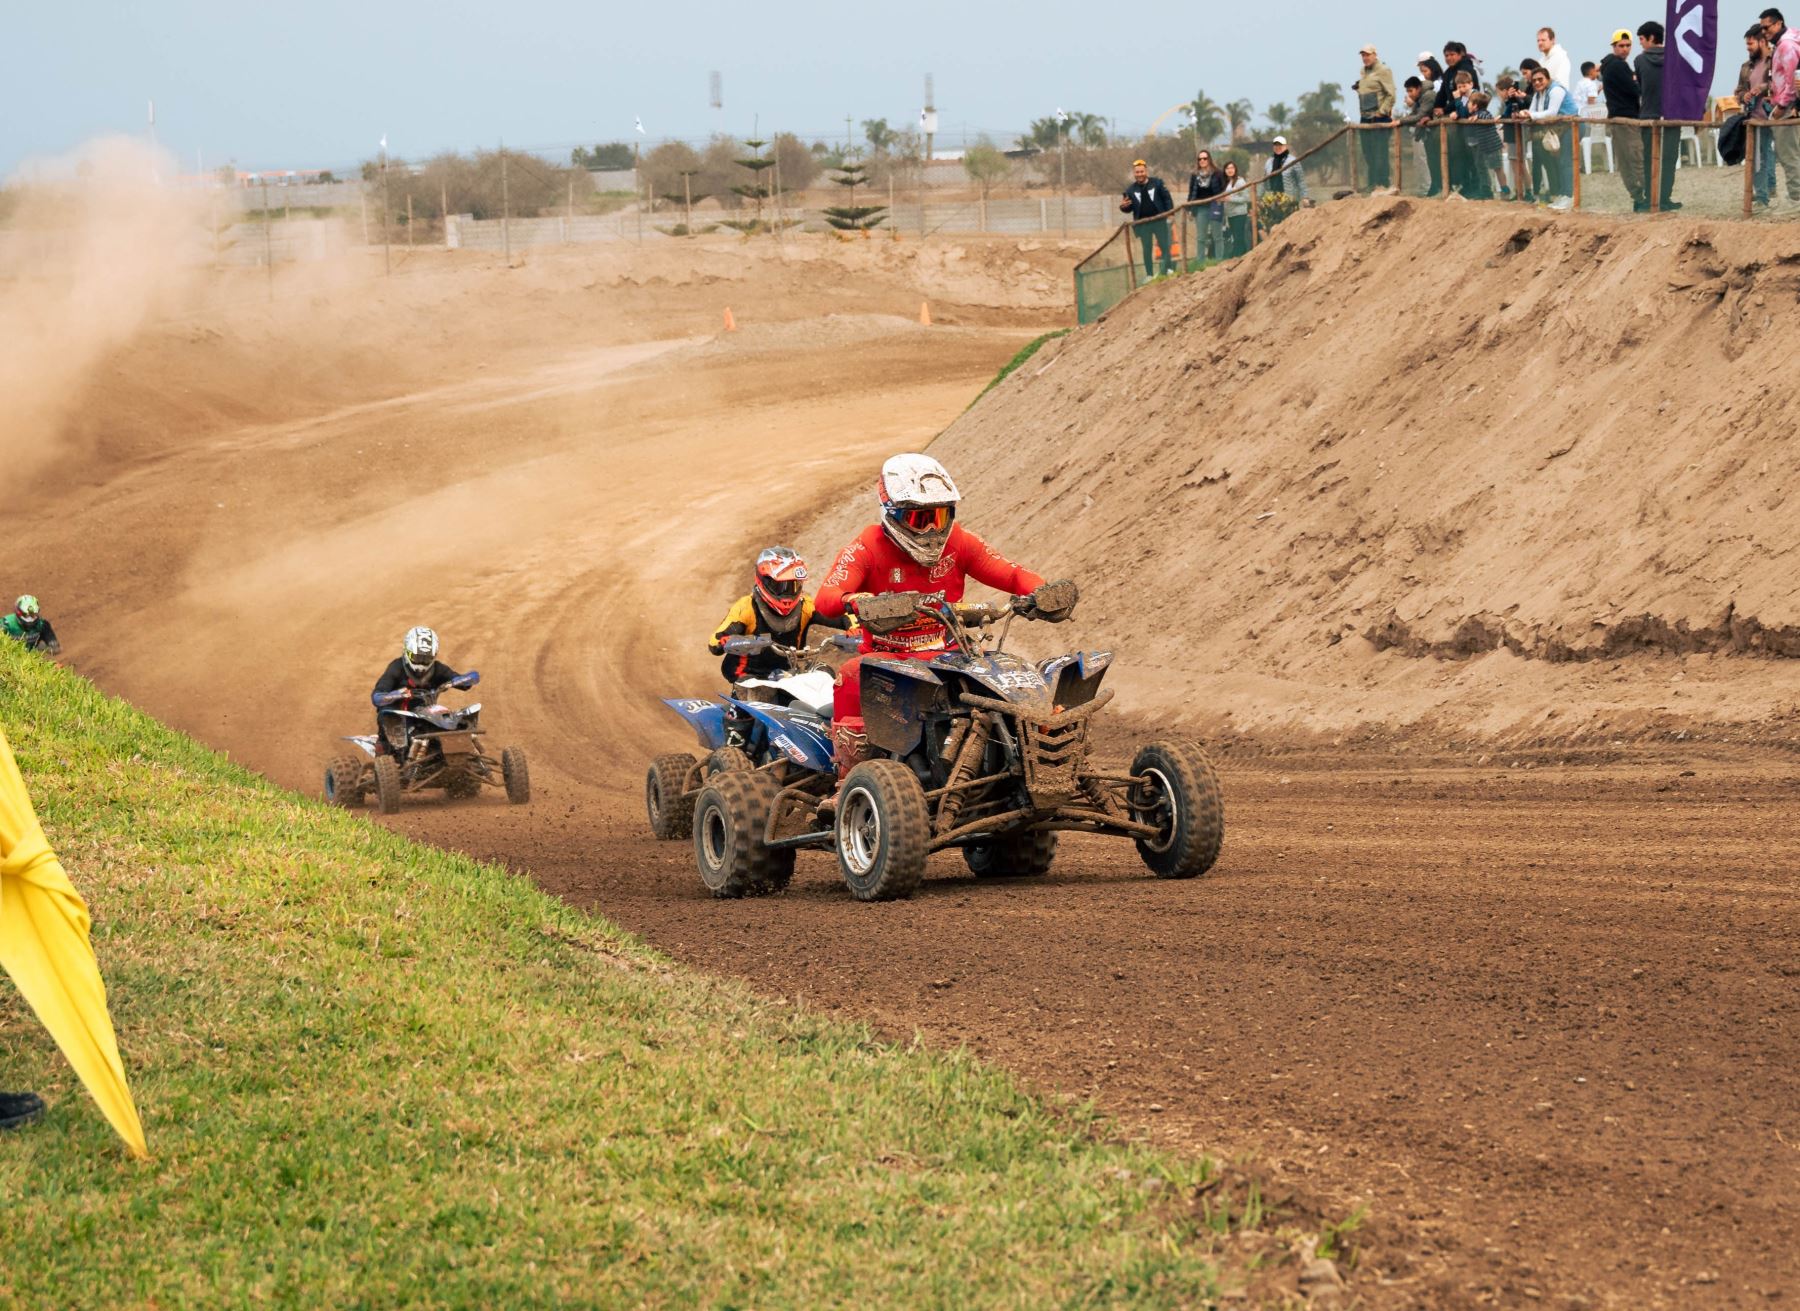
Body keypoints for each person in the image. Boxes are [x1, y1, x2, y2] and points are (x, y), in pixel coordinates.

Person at [813, 454, 1069, 776]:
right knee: (851, 674)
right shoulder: (868, 545)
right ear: (892, 513)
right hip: (887, 658)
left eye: (940, 515)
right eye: (921, 519)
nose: (933, 529)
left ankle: (1036, 754)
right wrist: (857, 600)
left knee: (1012, 676)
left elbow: (1013, 573)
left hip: (952, 655)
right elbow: (826, 599)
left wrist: (1041, 593)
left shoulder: (959, 542)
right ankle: (850, 781)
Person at [708, 546, 851, 748]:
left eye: (793, 586)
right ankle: (734, 754)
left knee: (824, 677)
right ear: (765, 581)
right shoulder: (745, 607)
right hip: (750, 674)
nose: (787, 594)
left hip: (788, 672)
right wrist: (732, 641)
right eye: (781, 587)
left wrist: (855, 628)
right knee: (753, 694)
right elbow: (714, 641)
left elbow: (842, 616)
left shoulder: (806, 605)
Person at [369, 626, 472, 758]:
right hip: (398, 715)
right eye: (417, 657)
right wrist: (396, 695)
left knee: (456, 722)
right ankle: (384, 752)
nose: (421, 663)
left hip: (425, 713)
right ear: (406, 651)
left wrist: (461, 680)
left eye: (426, 659)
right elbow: (377, 697)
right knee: (389, 716)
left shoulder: (437, 668)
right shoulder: (396, 668)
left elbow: (468, 678)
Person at [1601, 28, 1649, 210]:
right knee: (1636, 158)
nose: (1625, 49)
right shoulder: (1618, 65)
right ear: (1614, 46)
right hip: (1626, 118)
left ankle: (1638, 198)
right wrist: (1637, 81)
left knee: (1626, 162)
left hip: (1617, 118)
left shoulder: (1609, 65)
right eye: (1621, 45)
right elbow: (1635, 89)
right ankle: (1645, 197)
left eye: (1628, 45)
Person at [1517, 64, 1577, 210]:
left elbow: (1552, 112)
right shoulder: (1538, 94)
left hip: (1571, 126)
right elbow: (1533, 111)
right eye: (1534, 80)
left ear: (1548, 79)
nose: (1537, 82)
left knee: (1566, 162)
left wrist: (1530, 115)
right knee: (1559, 162)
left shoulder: (1555, 90)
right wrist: (1526, 113)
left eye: (1540, 79)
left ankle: (1570, 197)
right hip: (1558, 128)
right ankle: (1563, 195)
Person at [1636, 20, 1680, 210]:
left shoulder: (1639, 60)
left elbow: (1640, 88)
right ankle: (1664, 198)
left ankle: (1650, 197)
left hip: (1647, 115)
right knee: (1669, 158)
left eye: (1642, 40)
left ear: (1651, 38)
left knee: (1648, 159)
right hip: (1672, 114)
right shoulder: (1675, 58)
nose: (1641, 44)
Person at [1764, 8, 1800, 203]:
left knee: (1788, 153)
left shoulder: (1787, 46)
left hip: (1787, 107)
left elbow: (1792, 80)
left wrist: (1781, 105)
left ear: (1778, 23)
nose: (1764, 32)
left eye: (1766, 27)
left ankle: (1796, 198)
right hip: (1786, 104)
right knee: (1789, 152)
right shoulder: (1785, 43)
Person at [1741, 24, 1778, 207]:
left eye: (1751, 44)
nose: (1748, 48)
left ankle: (1765, 193)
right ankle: (1764, 192)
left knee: (1763, 156)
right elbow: (1740, 89)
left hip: (1772, 115)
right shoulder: (1747, 66)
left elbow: (1782, 84)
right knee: (1758, 157)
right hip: (1753, 117)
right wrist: (1744, 95)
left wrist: (1764, 87)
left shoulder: (1775, 61)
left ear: (1762, 42)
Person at [1120, 159, 1174, 278]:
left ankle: (1168, 268)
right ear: (1134, 174)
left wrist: (1170, 213)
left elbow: (1167, 199)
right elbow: (1129, 208)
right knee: (1146, 248)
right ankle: (1149, 274)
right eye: (1137, 172)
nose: (1139, 174)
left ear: (1146, 171)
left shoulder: (1157, 183)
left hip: (1159, 219)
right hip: (1143, 223)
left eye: (1141, 172)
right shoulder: (1130, 190)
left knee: (1164, 244)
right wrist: (1123, 207)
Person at [1354, 43, 1397, 189]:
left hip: (1379, 117)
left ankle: (1383, 183)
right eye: (1363, 55)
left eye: (1367, 55)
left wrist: (1382, 112)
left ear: (1375, 55)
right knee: (1368, 152)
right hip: (1365, 116)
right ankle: (1372, 183)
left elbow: (1391, 94)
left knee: (1380, 153)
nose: (1365, 58)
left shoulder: (1384, 70)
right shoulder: (1363, 71)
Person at [1186, 149, 1227, 260]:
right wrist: (1189, 209)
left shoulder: (1217, 173)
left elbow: (1224, 188)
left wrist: (1222, 197)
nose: (1202, 160)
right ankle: (1200, 262)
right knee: (1201, 237)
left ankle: (1219, 260)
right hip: (1200, 208)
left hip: (1215, 206)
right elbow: (1191, 192)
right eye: (1200, 159)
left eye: (1205, 158)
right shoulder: (1194, 175)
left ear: (1209, 159)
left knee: (1217, 236)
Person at [1470, 92, 1509, 198]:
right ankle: (1486, 189)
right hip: (1483, 146)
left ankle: (1505, 190)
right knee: (1481, 166)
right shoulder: (1474, 115)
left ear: (1475, 105)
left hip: (1493, 146)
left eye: (1470, 102)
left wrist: (1477, 115)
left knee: (1497, 168)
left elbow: (1486, 116)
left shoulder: (1484, 113)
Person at [1418, 58, 1448, 194]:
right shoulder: (1429, 84)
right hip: (1430, 124)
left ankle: (1441, 184)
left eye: (1425, 71)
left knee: (1439, 155)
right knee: (1431, 156)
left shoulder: (1438, 84)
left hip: (1439, 123)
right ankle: (1435, 184)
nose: (1424, 74)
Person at [1264, 135, 1308, 205]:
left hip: (1289, 199)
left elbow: (1301, 181)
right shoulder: (1269, 162)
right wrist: (1258, 198)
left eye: (1280, 145)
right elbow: (1265, 182)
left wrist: (1305, 197)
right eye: (1275, 145)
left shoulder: (1293, 161)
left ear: (1285, 146)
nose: (1278, 147)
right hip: (1272, 200)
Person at [1220, 159, 1252, 252]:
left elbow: (1246, 198)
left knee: (1239, 237)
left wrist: (1230, 199)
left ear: (1235, 169)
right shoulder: (1227, 182)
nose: (1230, 170)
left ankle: (1240, 256)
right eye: (1227, 168)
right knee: (1235, 237)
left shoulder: (1240, 181)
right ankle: (1239, 257)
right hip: (1230, 214)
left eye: (1232, 168)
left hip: (1239, 214)